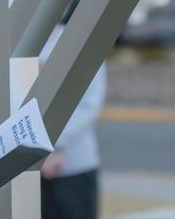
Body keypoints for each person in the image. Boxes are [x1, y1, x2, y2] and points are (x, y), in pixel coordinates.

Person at [37, 13, 107, 218]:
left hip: (74, 165)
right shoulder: (5, 47)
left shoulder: (82, 42)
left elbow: (89, 104)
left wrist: (51, 145)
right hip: (22, 172)